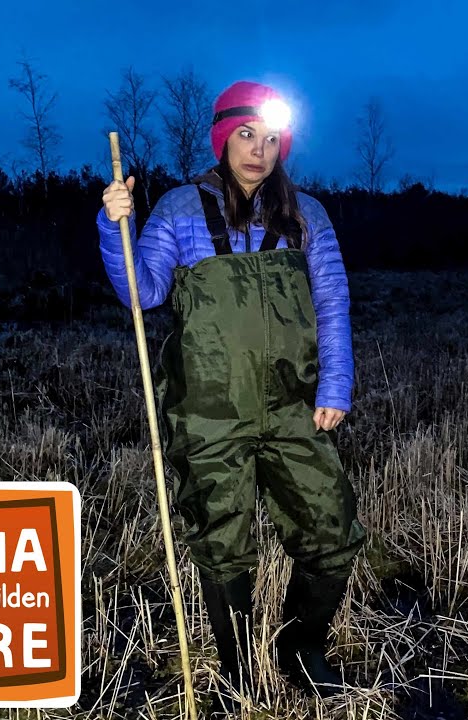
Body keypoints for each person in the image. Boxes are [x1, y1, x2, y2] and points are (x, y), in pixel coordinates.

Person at [97, 79, 368, 707]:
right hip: (209, 410)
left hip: (294, 404)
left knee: (333, 531)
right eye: (246, 135)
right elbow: (143, 293)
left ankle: (300, 651)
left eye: (271, 139)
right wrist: (115, 229)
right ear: (223, 139)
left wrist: (336, 383)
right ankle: (241, 669)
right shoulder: (178, 209)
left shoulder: (308, 215)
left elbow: (331, 302)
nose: (259, 151)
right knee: (224, 545)